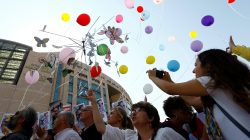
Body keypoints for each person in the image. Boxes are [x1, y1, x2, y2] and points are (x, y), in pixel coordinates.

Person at [147, 49, 250, 140]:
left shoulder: (212, 82)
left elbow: (169, 89)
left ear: (208, 66)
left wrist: (152, 77)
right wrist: (171, 82)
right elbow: (192, 101)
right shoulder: (225, 87)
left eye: (196, 65)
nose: (193, 70)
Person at [87, 90, 185, 140]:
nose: (133, 112)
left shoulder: (165, 134)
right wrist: (94, 103)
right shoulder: (128, 136)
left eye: (138, 110)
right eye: (133, 110)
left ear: (151, 118)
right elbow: (101, 128)